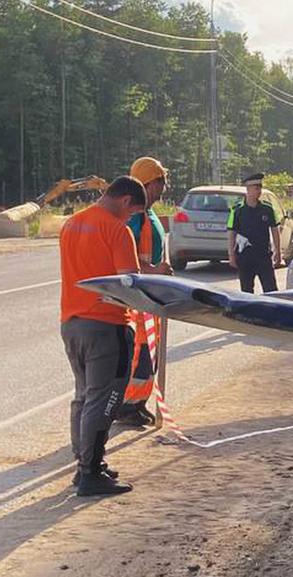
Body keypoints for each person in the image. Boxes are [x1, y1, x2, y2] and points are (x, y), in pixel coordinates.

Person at [59, 176, 147, 496]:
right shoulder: (116, 229)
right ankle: (90, 473)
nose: (130, 219)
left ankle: (84, 462)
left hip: (72, 322)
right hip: (106, 326)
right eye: (133, 213)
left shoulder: (72, 224)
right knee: (105, 397)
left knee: (84, 395)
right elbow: (129, 284)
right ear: (125, 201)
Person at [115, 156, 173, 428]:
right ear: (148, 184)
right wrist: (155, 271)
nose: (165, 187)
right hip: (138, 297)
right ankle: (127, 406)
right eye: (161, 181)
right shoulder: (135, 218)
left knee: (149, 353)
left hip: (151, 296)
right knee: (139, 354)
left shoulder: (149, 215)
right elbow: (129, 259)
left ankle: (138, 403)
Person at [226, 172, 282, 294]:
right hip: (245, 257)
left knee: (271, 290)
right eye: (256, 188)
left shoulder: (267, 209)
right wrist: (231, 255)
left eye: (260, 188)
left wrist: (278, 252)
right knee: (246, 291)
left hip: (263, 256)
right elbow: (231, 233)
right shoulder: (237, 210)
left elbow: (274, 230)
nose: (259, 191)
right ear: (248, 189)